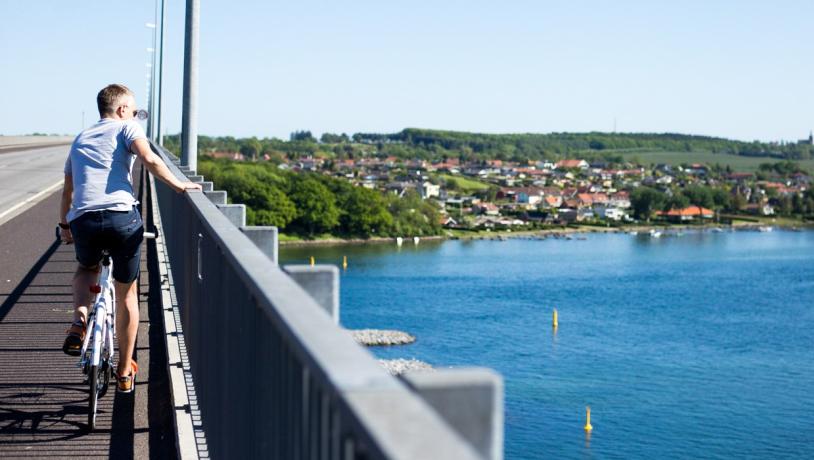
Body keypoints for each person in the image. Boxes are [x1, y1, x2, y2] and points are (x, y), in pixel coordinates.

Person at [59, 84, 201, 393]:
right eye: (134, 110)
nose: (136, 116)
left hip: (82, 218)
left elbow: (68, 189)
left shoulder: (80, 139)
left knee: (86, 269)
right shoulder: (127, 128)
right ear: (123, 110)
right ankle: (124, 371)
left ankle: (79, 320)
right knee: (127, 293)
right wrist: (178, 185)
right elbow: (149, 159)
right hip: (122, 218)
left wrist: (64, 225)